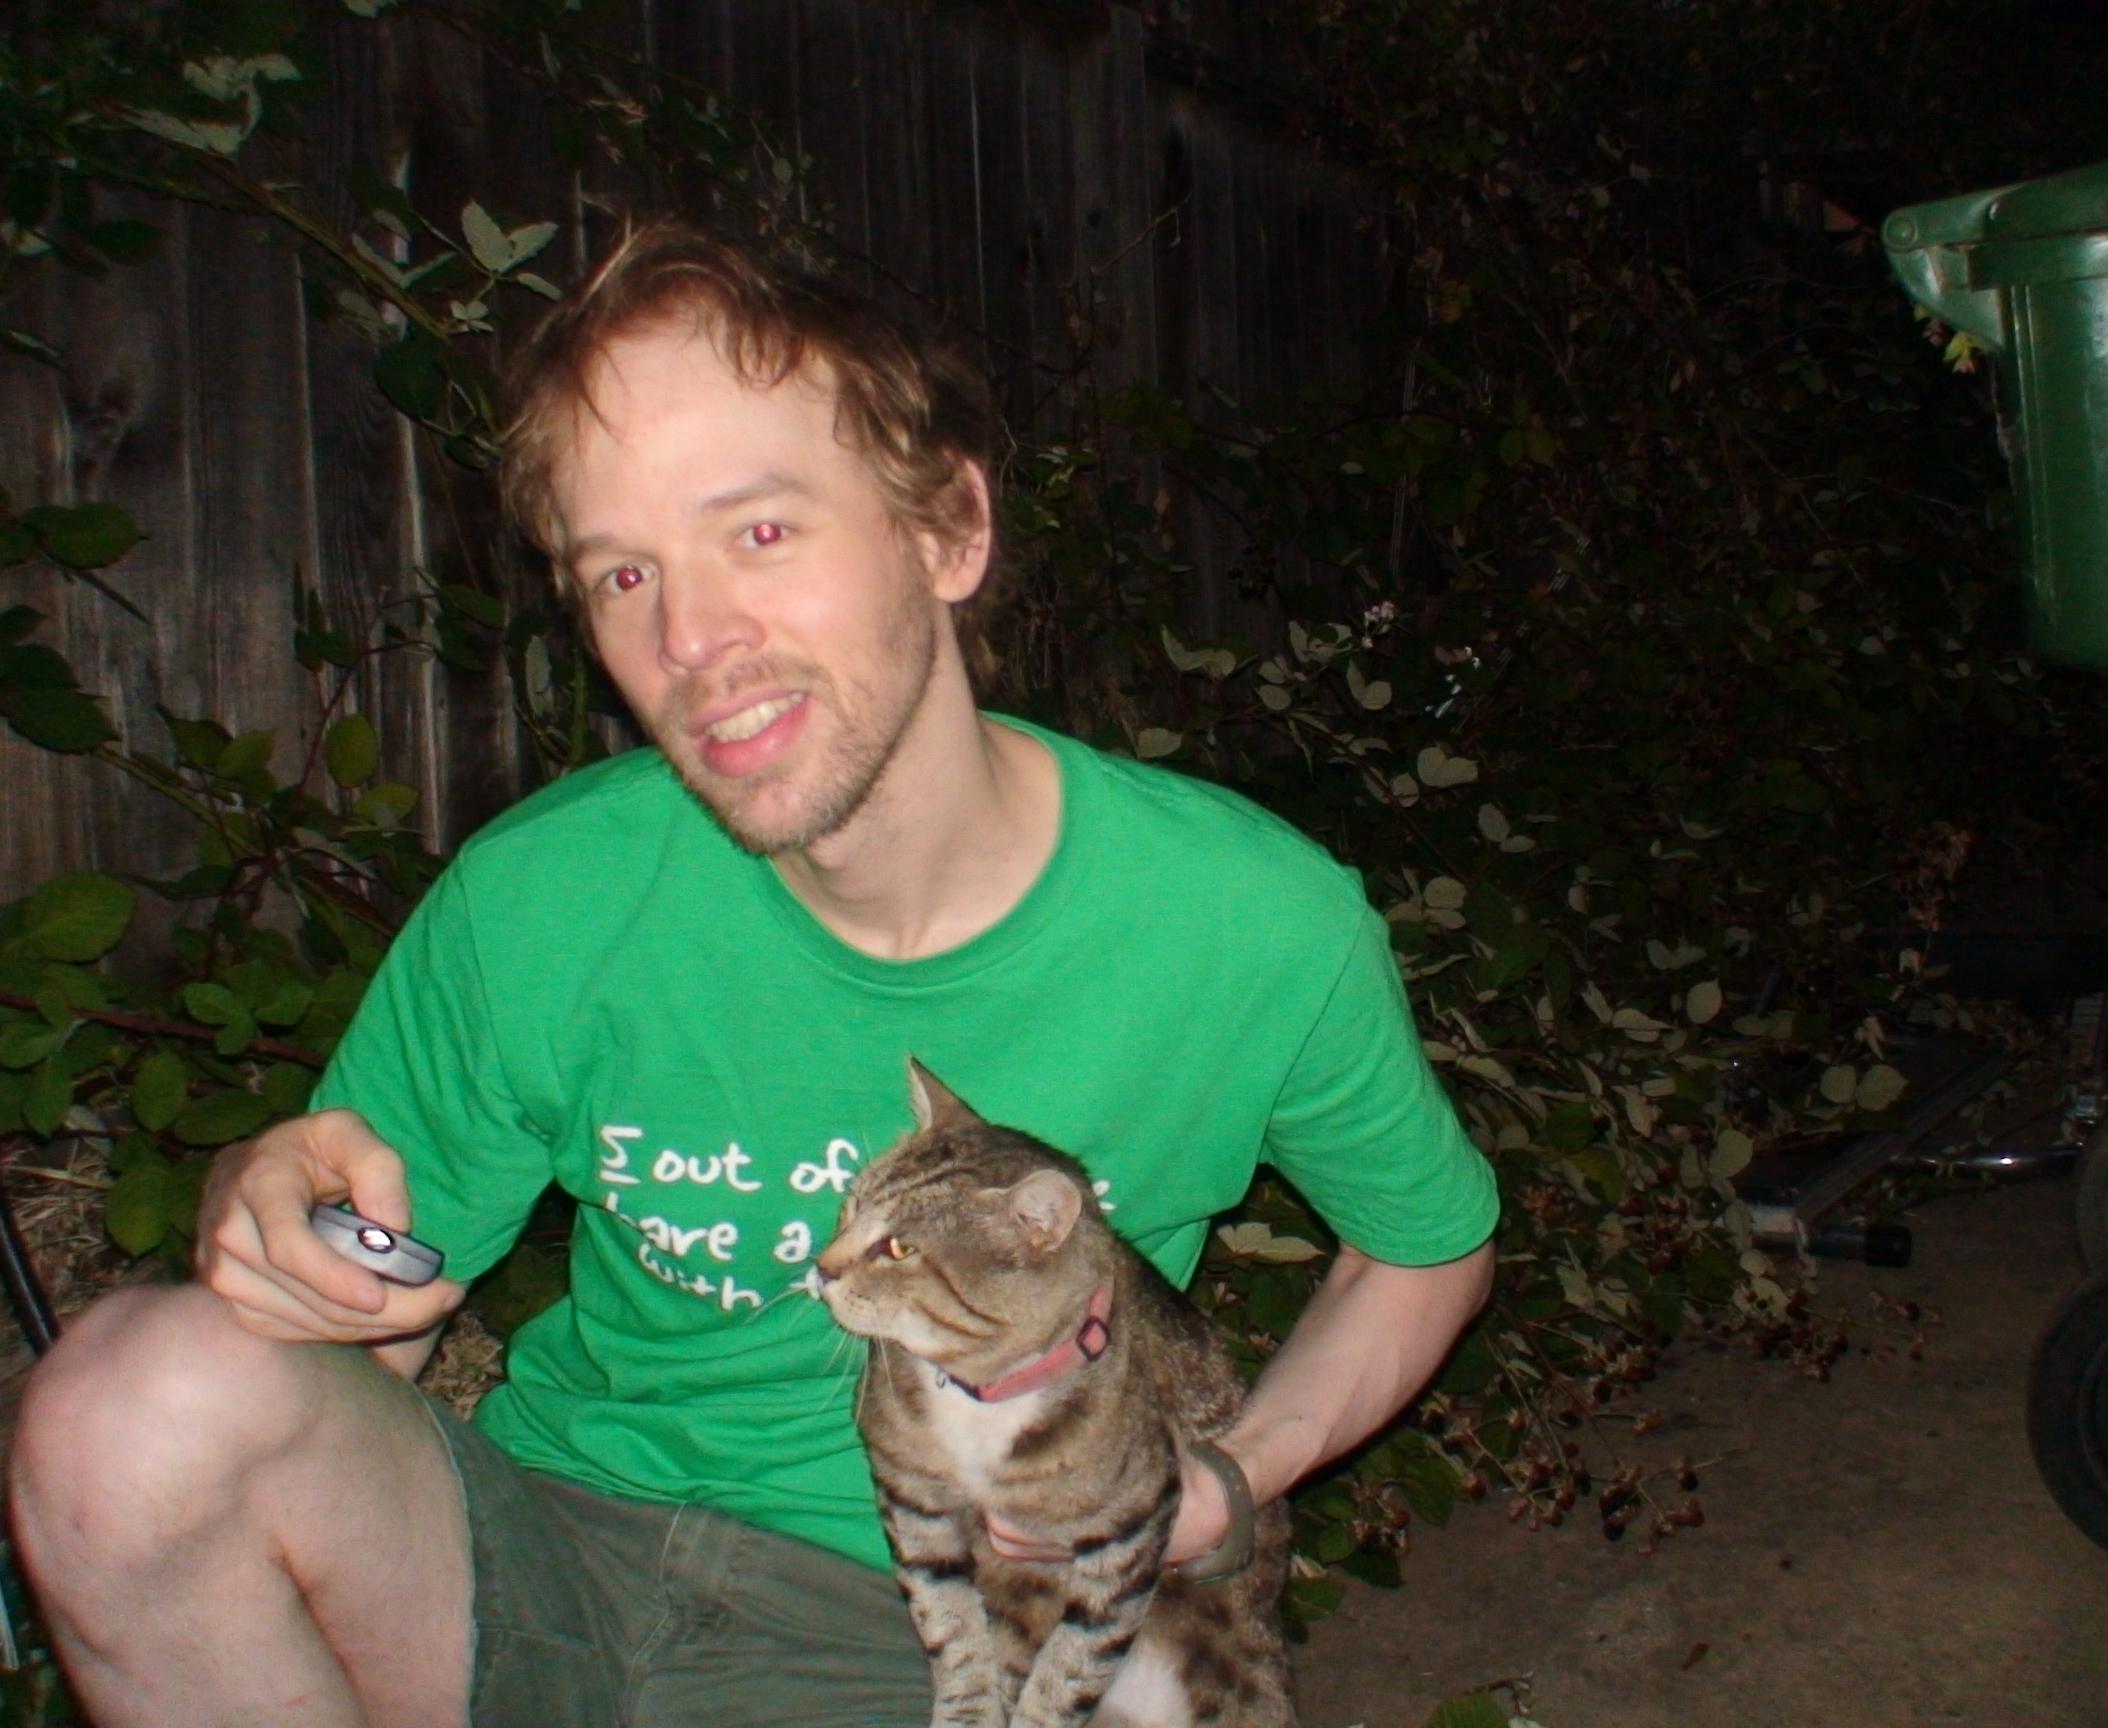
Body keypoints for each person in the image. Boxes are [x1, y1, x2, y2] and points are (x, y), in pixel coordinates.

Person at [6, 222, 1499, 1728]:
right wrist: (267, 1230)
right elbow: (375, 1317)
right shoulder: (544, 897)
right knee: (128, 1412)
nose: (693, 637)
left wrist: (1227, 1477)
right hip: (546, 1554)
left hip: (932, 1623)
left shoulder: (1243, 924)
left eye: (762, 531)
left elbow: (1425, 1249)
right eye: (623, 572)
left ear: (948, 533)